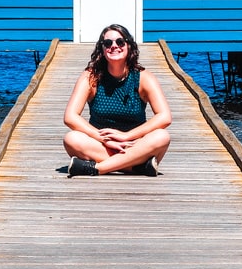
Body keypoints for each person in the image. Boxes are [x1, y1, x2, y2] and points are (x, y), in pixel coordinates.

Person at [63, 24, 171, 177]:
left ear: (128, 46)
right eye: (108, 43)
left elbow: (164, 116)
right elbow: (70, 116)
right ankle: (137, 167)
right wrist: (104, 139)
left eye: (120, 42)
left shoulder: (143, 77)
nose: (114, 46)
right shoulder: (91, 77)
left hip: (135, 145)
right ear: (102, 49)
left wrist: (126, 136)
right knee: (71, 138)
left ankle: (97, 169)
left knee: (162, 136)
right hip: (101, 145)